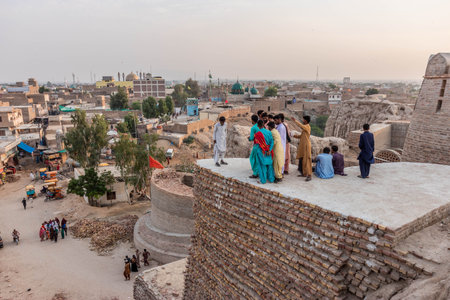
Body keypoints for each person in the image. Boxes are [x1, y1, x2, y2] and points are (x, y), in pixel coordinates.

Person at [292, 116, 313, 182]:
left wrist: (295, 121)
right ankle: (304, 173)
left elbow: (301, 125)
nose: (302, 120)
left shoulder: (307, 126)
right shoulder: (305, 129)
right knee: (303, 160)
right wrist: (294, 135)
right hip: (303, 146)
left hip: (306, 146)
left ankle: (309, 175)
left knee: (307, 160)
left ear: (306, 121)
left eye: (303, 119)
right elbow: (301, 136)